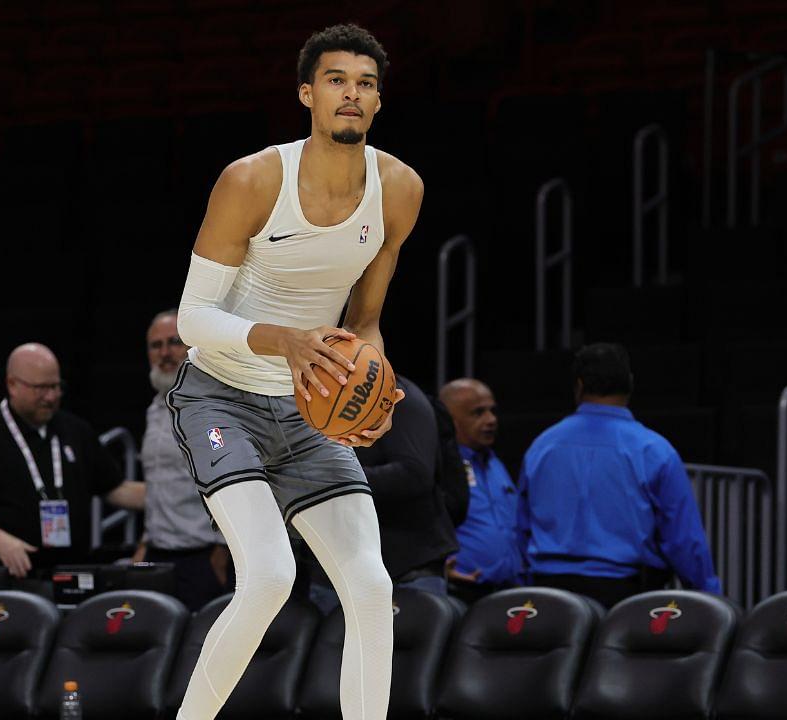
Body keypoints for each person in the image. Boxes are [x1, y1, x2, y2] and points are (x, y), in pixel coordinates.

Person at [168, 23, 421, 720]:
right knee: (271, 576)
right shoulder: (252, 179)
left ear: (377, 102)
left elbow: (365, 321)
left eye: (366, 84)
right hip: (222, 393)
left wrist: (375, 392)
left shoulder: (399, 188)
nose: (353, 93)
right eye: (338, 80)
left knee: (371, 586)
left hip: (310, 404)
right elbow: (192, 318)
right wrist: (286, 341)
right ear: (308, 93)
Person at [519, 343, 720, 608]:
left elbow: (519, 530)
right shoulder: (653, 450)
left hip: (548, 595)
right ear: (631, 385)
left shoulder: (541, 447)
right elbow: (684, 540)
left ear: (578, 386)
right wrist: (709, 599)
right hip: (624, 598)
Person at [0, 343, 146, 578]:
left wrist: (175, 494)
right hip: (5, 578)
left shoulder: (75, 430)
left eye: (56, 387)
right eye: (41, 388)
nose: (52, 397)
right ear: (12, 385)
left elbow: (117, 489)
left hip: (70, 573)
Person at [306, 374, 461, 613]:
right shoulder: (315, 393)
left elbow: (414, 473)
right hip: (334, 563)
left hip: (405, 565)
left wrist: (328, 478)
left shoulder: (399, 395)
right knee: (335, 650)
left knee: (396, 649)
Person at [135, 310, 231, 611]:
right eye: (156, 345)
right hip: (159, 556)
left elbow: (234, 476)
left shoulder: (214, 405)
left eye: (174, 342)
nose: (165, 353)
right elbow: (161, 485)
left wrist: (224, 550)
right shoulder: (153, 410)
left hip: (204, 557)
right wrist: (143, 543)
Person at [439, 378, 525, 604]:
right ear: (451, 420)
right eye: (478, 413)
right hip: (463, 591)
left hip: (511, 589)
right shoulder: (439, 467)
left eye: (492, 411)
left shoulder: (494, 463)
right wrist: (438, 568)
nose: (491, 420)